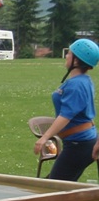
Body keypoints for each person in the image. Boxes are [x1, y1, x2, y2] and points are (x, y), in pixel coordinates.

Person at [34, 39, 99, 181]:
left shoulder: (77, 85)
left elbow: (66, 116)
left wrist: (44, 138)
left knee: (55, 187)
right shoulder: (82, 81)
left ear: (76, 60)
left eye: (69, 53)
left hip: (79, 144)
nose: (66, 56)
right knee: (63, 184)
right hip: (81, 142)